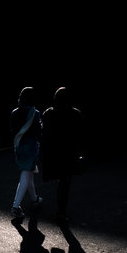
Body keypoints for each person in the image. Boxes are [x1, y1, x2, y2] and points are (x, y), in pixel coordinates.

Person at [41, 87, 84, 224]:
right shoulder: (75, 114)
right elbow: (79, 136)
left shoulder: (48, 113)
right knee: (65, 183)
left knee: (61, 181)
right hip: (68, 153)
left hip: (54, 153)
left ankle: (61, 210)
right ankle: (61, 211)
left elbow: (45, 135)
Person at [10, 87, 43, 218]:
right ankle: (15, 206)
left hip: (19, 146)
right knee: (26, 174)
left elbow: (13, 130)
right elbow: (38, 132)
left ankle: (35, 198)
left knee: (28, 174)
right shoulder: (35, 113)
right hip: (31, 147)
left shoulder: (14, 113)